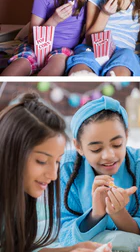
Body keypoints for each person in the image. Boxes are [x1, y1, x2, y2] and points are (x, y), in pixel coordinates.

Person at [0, 93, 109, 252]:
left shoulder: (18, 200)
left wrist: (73, 249)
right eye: (42, 161)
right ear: (11, 152)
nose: (53, 175)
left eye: (57, 162)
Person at [60, 96, 140, 246]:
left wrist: (118, 213)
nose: (109, 155)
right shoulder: (67, 166)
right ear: (78, 147)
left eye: (117, 144)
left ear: (127, 136)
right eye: (96, 149)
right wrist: (96, 214)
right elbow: (64, 234)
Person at [2, 0, 95, 77]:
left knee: (49, 76)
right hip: (34, 47)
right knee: (11, 75)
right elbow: (31, 38)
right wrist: (54, 20)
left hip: (62, 51)